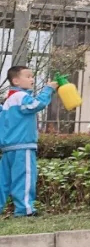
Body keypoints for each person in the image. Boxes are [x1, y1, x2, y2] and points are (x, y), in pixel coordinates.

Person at [0, 66, 56, 217]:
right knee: (24, 178)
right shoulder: (20, 97)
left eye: (32, 76)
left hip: (8, 147)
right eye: (28, 76)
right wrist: (48, 90)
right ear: (16, 80)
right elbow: (36, 105)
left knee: (3, 181)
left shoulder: (8, 100)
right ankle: (25, 210)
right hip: (22, 146)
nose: (32, 79)